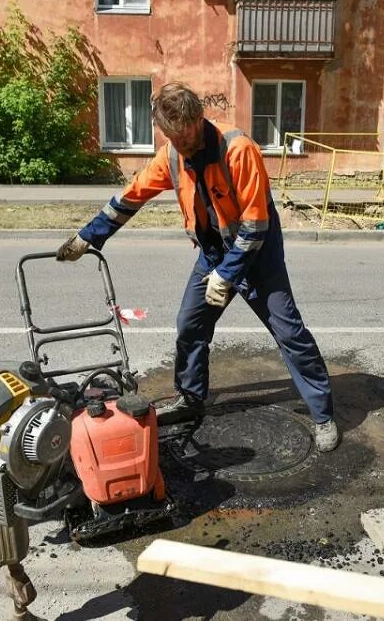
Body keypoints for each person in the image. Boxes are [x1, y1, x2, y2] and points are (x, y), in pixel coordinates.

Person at [57, 82, 340, 452]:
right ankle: (191, 398)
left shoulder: (238, 151)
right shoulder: (171, 156)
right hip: (213, 252)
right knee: (190, 325)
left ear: (198, 118)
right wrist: (87, 237)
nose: (180, 143)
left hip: (257, 256)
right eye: (172, 136)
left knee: (290, 334)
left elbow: (256, 227)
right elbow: (130, 197)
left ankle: (323, 415)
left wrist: (226, 275)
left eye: (185, 133)